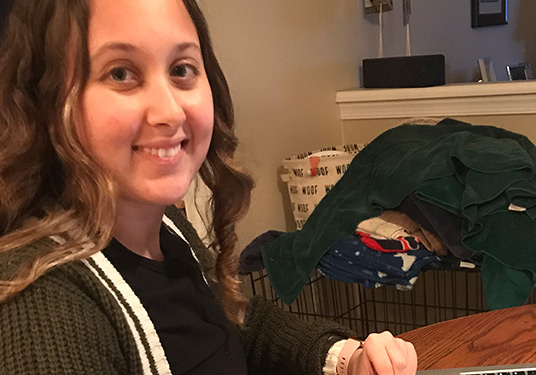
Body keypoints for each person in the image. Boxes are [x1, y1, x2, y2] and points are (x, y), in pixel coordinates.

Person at [0, 0, 418, 374]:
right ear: (47, 101)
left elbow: (234, 323)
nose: (169, 111)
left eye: (181, 70)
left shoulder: (166, 226)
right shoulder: (42, 305)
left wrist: (346, 358)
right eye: (121, 73)